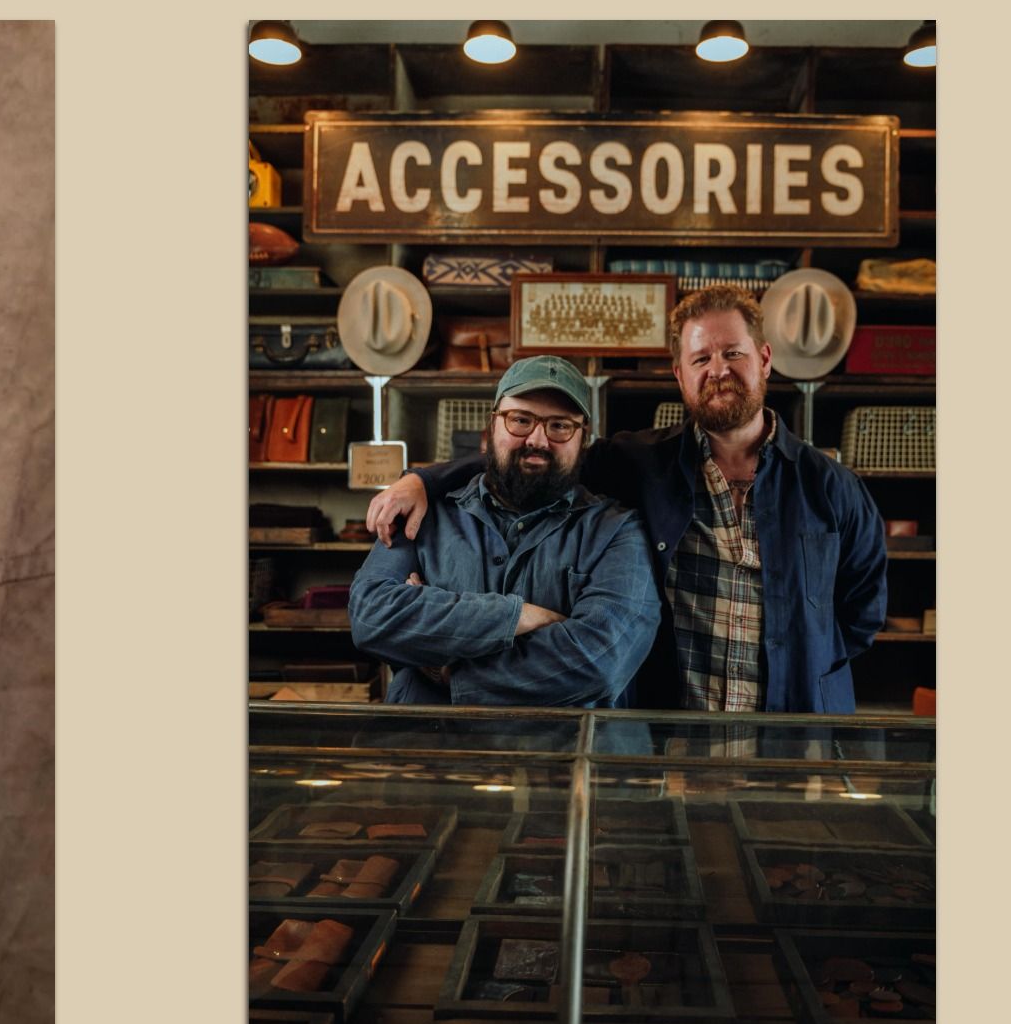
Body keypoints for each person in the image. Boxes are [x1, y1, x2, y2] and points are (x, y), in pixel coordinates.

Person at [365, 285, 888, 757]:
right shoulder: (639, 464)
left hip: (794, 740)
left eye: (734, 353)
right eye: (701, 357)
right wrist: (425, 481)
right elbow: (531, 458)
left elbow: (860, 616)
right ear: (680, 375)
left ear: (765, 359)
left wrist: (807, 652)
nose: (718, 369)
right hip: (672, 738)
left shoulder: (834, 488)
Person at [348, 356, 661, 753]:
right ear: (492, 424)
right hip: (431, 764)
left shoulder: (616, 530)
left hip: (572, 773)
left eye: (560, 426)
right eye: (521, 420)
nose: (537, 440)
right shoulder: (422, 514)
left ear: (584, 438)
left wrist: (453, 673)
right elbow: (371, 616)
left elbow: (599, 659)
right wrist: (518, 616)